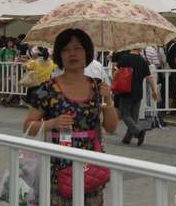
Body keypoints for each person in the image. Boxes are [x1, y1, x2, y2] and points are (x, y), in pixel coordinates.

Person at [24, 28, 118, 205]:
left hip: (91, 165)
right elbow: (28, 126)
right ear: (59, 55)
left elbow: (112, 128)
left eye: (78, 48)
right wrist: (52, 123)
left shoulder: (97, 86)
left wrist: (108, 98)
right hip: (57, 165)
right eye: (66, 49)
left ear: (87, 52)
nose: (72, 54)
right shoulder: (48, 88)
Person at [116, 46, 158, 145]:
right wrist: (154, 90)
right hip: (138, 92)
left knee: (125, 114)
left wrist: (114, 84)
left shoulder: (124, 58)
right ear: (140, 49)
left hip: (125, 90)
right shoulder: (142, 61)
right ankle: (127, 139)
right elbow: (149, 77)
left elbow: (116, 72)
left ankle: (139, 132)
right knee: (134, 117)